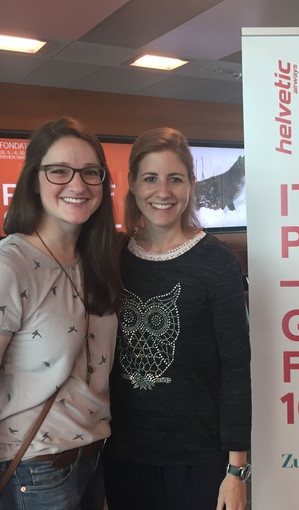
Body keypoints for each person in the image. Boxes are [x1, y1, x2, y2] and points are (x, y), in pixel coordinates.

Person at [0, 117, 119, 510]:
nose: (78, 185)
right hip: (33, 473)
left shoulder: (93, 260)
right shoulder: (4, 268)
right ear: (33, 180)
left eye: (90, 172)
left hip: (92, 463)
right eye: (59, 171)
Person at [103, 127, 252, 510]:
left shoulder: (217, 262)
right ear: (133, 184)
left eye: (175, 179)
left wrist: (237, 470)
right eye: (150, 178)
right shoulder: (111, 258)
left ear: (191, 184)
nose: (163, 191)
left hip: (200, 462)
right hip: (124, 458)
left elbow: (236, 371)